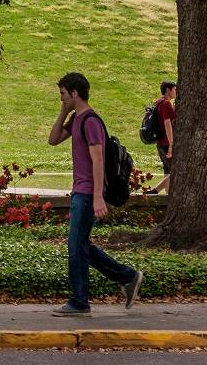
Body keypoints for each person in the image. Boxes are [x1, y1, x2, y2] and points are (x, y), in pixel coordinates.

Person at [48, 71, 142, 316]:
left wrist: (98, 196)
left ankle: (80, 302)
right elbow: (53, 139)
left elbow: (98, 159)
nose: (61, 99)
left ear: (75, 93)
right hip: (80, 191)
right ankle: (129, 277)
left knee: (76, 247)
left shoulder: (90, 121)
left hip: (88, 193)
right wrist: (63, 114)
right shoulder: (77, 119)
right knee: (81, 246)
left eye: (63, 95)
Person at [149, 81, 176, 195]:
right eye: (175, 89)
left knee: (167, 171)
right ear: (168, 90)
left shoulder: (158, 102)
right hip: (166, 142)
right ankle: (155, 191)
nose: (176, 92)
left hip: (160, 142)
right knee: (175, 172)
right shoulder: (165, 104)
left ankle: (167, 198)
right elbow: (167, 123)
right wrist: (171, 144)